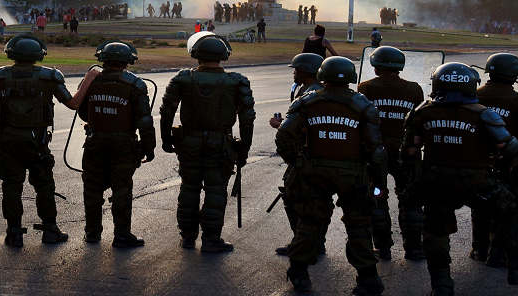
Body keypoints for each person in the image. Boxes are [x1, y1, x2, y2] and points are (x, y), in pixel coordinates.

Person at [403, 63, 518, 294]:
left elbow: (408, 152)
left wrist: (419, 179)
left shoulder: (422, 112)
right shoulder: (483, 113)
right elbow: (512, 149)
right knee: (512, 211)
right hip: (478, 180)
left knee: (436, 234)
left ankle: (442, 287)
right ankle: (516, 269)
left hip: (437, 180)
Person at [276, 56, 384, 296]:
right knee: (358, 227)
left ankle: (299, 273)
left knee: (310, 223)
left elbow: (284, 137)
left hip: (314, 173)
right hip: (353, 174)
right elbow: (376, 150)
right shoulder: (363, 105)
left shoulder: (307, 102)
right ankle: (368, 279)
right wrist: (379, 182)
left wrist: (298, 163)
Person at [0, 34, 91, 247]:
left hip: (8, 142)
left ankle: (13, 233)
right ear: (38, 54)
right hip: (37, 143)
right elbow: (74, 104)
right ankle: (50, 230)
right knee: (44, 186)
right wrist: (90, 78)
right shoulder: (50, 77)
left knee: (11, 187)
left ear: (11, 53)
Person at [159, 32, 255, 253]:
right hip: (220, 144)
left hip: (189, 143)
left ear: (196, 54)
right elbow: (247, 119)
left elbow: (166, 112)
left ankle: (187, 237)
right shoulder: (237, 82)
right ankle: (211, 239)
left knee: (189, 188)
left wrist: (166, 139)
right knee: (216, 190)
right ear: (223, 55)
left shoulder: (182, 78)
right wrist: (244, 149)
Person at [78, 42, 154, 248]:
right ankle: (121, 235)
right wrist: (149, 147)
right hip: (123, 145)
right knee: (122, 190)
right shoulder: (136, 85)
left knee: (92, 189)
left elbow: (83, 112)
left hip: (95, 142)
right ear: (128, 61)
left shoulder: (90, 82)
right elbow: (144, 121)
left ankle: (92, 233)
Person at [472, 53, 518, 272]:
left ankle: (479, 249)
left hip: (478, 161)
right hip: (509, 164)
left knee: (480, 205)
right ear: (515, 75)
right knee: (509, 209)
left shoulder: (473, 96)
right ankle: (498, 255)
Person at [356, 46, 425, 261]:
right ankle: (413, 249)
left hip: (375, 155)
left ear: (376, 68)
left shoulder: (365, 88)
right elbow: (418, 123)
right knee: (410, 200)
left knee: (377, 197)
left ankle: (383, 247)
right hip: (406, 154)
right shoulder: (414, 89)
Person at [268, 52, 325, 259]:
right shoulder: (307, 89)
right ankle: (312, 243)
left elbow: (302, 128)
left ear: (306, 71)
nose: (294, 73)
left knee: (295, 199)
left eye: (297, 69)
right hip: (309, 154)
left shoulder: (312, 93)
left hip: (307, 156)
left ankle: (305, 244)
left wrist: (280, 125)